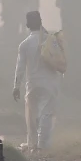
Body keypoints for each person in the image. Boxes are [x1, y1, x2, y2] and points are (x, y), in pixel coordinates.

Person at [13, 11, 62, 153]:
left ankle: (32, 144)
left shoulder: (24, 44)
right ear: (40, 22)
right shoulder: (50, 40)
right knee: (46, 114)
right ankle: (42, 146)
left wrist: (16, 86)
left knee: (31, 115)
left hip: (32, 84)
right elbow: (59, 59)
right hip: (49, 83)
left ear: (27, 25)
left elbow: (20, 67)